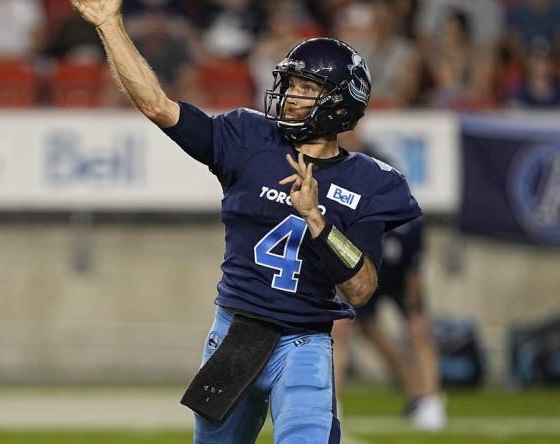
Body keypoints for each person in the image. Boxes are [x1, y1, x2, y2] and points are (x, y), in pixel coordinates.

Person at [70, 1, 421, 442]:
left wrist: (318, 220)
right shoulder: (248, 137)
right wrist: (109, 25)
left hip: (303, 343)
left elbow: (362, 288)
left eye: (306, 88)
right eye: (289, 83)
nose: (290, 95)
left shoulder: (370, 181)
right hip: (234, 333)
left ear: (338, 103)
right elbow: (159, 106)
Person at [332, 218, 447, 431]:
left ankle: (430, 401)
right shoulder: (356, 219)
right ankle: (333, 402)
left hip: (398, 281)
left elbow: (413, 271)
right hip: (362, 278)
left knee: (419, 328)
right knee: (342, 329)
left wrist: (414, 309)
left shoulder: (409, 225)